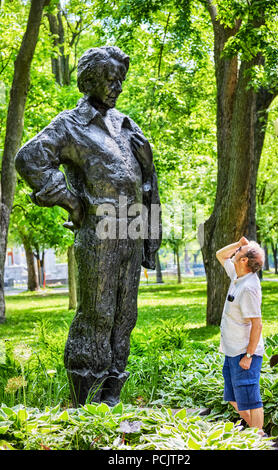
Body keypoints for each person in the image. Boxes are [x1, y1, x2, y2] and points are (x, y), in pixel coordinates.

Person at [15, 46, 162, 406]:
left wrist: (150, 166)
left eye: (121, 81)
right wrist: (70, 201)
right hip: (98, 235)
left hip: (129, 234)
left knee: (125, 317)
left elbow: (145, 184)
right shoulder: (71, 124)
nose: (117, 87)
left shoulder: (127, 126)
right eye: (111, 80)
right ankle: (88, 401)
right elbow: (29, 159)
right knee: (98, 314)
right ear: (91, 79)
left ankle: (113, 394)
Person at [216, 236, 266, 436]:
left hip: (245, 353)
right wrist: (239, 244)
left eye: (239, 253)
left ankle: (258, 438)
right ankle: (258, 434)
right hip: (232, 350)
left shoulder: (249, 288)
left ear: (244, 261)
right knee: (232, 397)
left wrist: (249, 355)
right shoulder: (238, 276)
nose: (235, 254)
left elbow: (257, 324)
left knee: (251, 399)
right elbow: (221, 255)